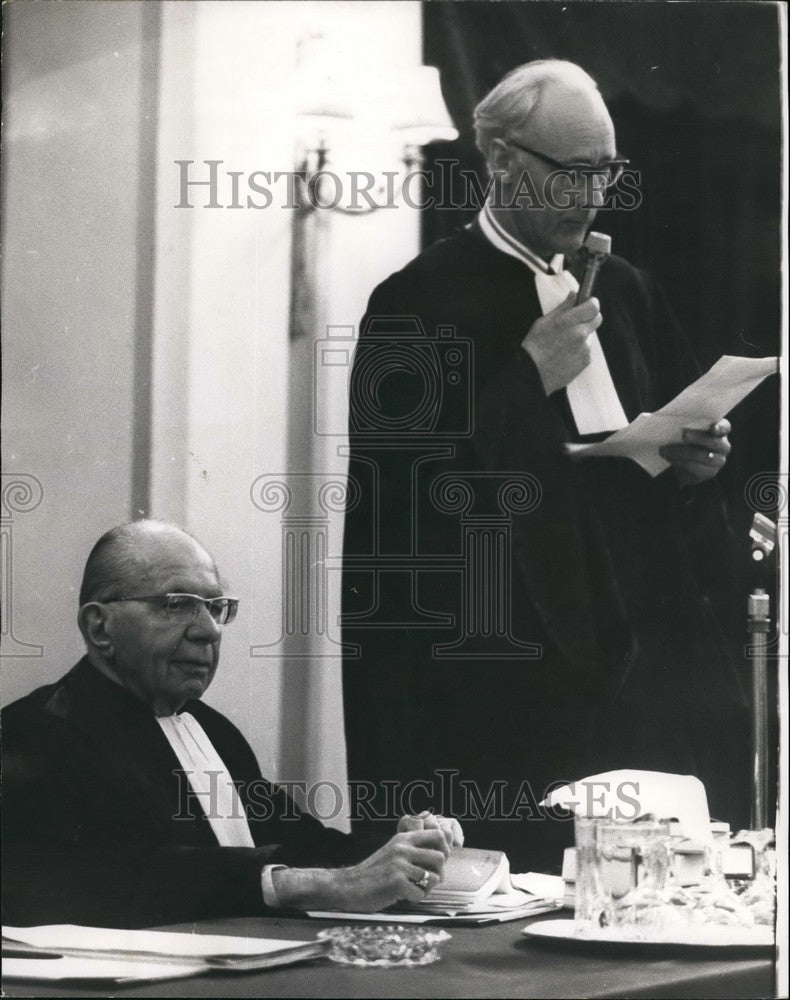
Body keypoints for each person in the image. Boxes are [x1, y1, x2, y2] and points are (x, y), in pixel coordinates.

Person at [342, 59, 749, 870]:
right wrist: (527, 377)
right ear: (498, 158)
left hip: (631, 664)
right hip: (500, 674)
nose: (593, 195)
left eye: (607, 171)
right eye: (573, 172)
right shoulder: (417, 303)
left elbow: (654, 475)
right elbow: (402, 501)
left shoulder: (627, 291)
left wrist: (695, 462)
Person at [1, 519, 462, 928]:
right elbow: (111, 879)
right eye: (176, 604)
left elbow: (299, 844)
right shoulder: (34, 735)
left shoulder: (211, 728)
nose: (210, 630)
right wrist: (302, 885)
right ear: (100, 628)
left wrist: (399, 848)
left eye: (215, 606)